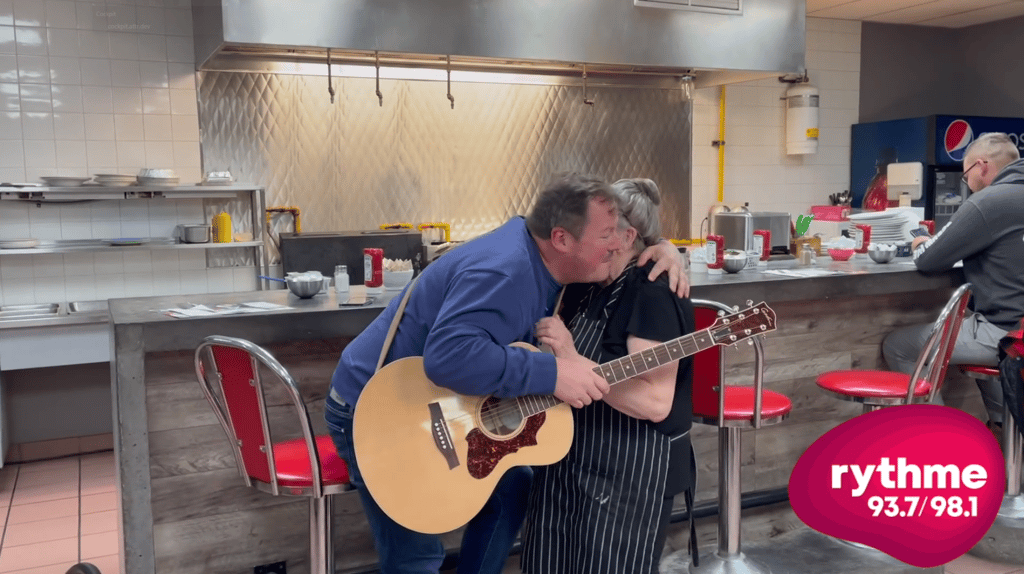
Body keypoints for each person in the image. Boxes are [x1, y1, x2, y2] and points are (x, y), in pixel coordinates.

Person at [323, 173, 689, 574]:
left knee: (511, 494)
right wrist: (552, 372)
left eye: (623, 236)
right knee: (417, 556)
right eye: (607, 237)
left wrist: (662, 247)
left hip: (430, 403)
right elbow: (449, 357)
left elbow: (609, 217)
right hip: (377, 406)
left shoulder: (553, 259)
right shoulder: (507, 271)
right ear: (563, 239)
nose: (617, 242)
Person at [520, 178, 696, 574]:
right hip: (568, 462)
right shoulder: (588, 280)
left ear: (626, 236)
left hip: (626, 476)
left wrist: (570, 357)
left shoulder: (652, 291)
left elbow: (654, 402)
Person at [883, 132, 1024, 429]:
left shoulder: (987, 202)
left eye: (966, 176)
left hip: (1008, 333)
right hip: (1016, 335)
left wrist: (920, 241)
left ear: (982, 167)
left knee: (900, 346)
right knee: (986, 341)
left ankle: (943, 440)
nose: (967, 183)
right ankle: (1005, 431)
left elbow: (930, 259)